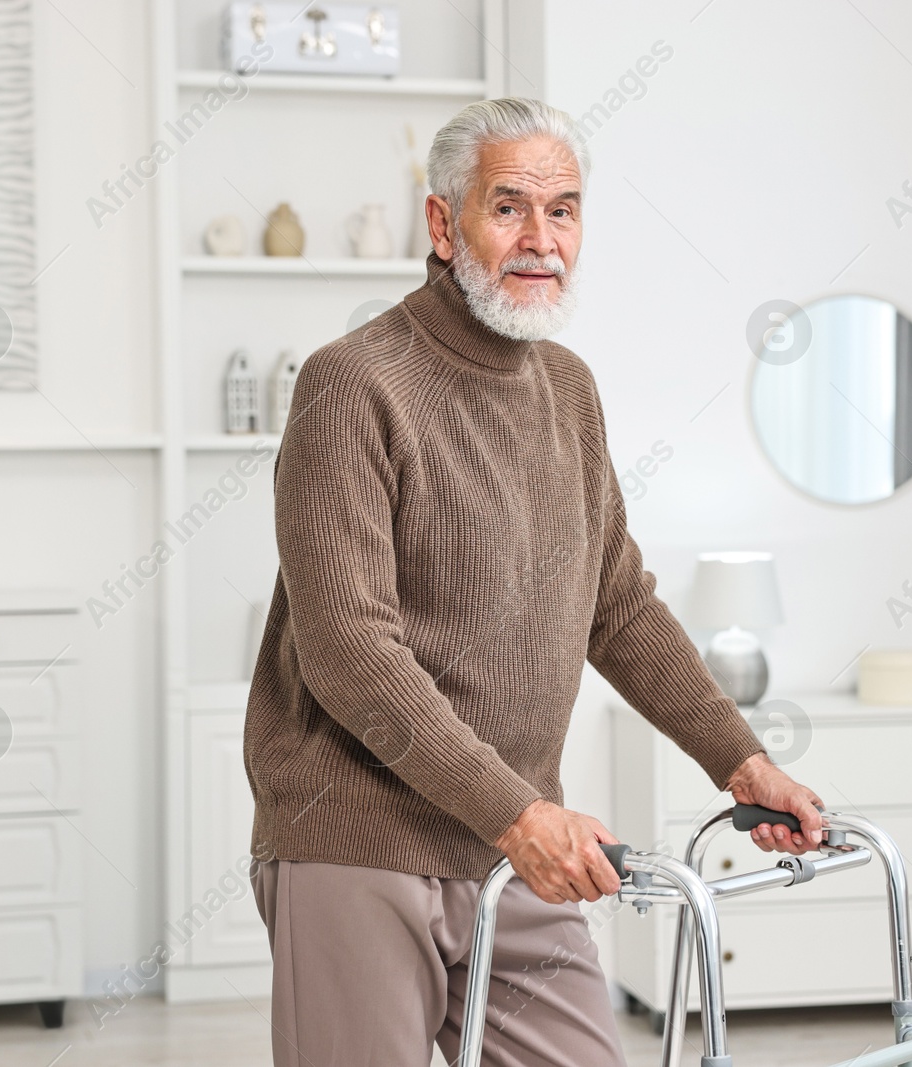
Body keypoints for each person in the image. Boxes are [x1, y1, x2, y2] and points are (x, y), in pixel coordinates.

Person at [244, 97, 825, 1067]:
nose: (539, 239)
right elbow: (349, 647)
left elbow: (618, 604)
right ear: (441, 223)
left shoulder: (567, 388)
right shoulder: (353, 383)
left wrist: (739, 758)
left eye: (564, 210)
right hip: (361, 839)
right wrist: (516, 813)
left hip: (519, 848)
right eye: (507, 206)